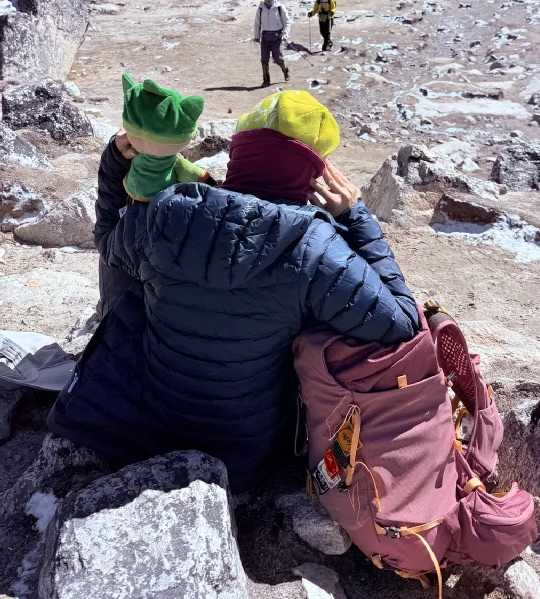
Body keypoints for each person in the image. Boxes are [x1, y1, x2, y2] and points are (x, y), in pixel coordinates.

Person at [48, 90, 419, 492]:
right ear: (316, 175)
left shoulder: (169, 210)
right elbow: (401, 323)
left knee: (142, 272)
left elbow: (106, 242)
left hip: (148, 430)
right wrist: (355, 217)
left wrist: (116, 162)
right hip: (246, 460)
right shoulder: (316, 245)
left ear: (237, 154)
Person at [98, 74, 211, 317]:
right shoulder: (201, 236)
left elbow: (105, 232)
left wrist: (114, 159)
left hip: (118, 336)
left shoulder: (117, 241)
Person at [253, 0, 290, 87]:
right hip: (265, 37)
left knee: (278, 58)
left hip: (277, 37)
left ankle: (285, 70)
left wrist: (285, 34)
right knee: (264, 59)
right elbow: (257, 23)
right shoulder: (260, 9)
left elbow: (287, 21)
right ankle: (266, 80)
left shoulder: (279, 8)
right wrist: (256, 36)